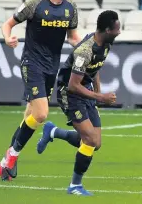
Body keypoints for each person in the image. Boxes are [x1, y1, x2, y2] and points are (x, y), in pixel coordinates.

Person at [0, 0, 81, 181]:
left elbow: (72, 36)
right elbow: (8, 24)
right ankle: (11, 155)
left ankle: (6, 163)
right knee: (41, 114)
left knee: (29, 117)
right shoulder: (35, 4)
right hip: (32, 63)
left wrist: (83, 47)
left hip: (51, 66)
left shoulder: (71, 8)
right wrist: (8, 38)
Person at [36, 10, 120, 195]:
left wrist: (97, 92)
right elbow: (73, 86)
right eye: (117, 29)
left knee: (95, 143)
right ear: (107, 30)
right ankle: (75, 185)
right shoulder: (84, 51)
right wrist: (101, 97)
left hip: (86, 90)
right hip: (69, 93)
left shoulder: (105, 44)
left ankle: (53, 131)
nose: (119, 32)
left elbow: (94, 69)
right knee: (89, 139)